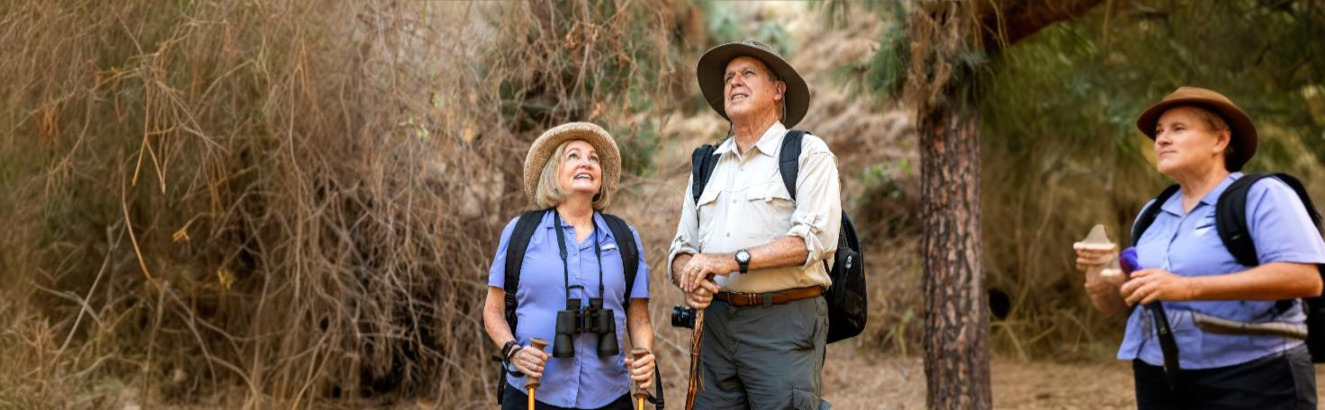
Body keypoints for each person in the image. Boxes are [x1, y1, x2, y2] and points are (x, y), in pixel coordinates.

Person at [1077, 87, 1325, 409]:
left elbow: (1304, 279)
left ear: (1220, 141)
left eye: (1178, 129)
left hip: (1255, 377)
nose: (1162, 140)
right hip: (1160, 376)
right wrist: (1100, 278)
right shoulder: (1153, 213)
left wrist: (1186, 288)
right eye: (1159, 132)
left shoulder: (1262, 195)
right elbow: (1119, 306)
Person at [669, 39, 840, 409]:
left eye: (748, 74)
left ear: (778, 90)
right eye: (729, 77)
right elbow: (681, 249)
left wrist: (729, 261)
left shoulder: (808, 153)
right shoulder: (706, 163)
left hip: (783, 323)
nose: (734, 82)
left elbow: (813, 241)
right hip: (714, 327)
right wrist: (689, 277)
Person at [483, 122, 654, 409]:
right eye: (573, 156)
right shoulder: (521, 232)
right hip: (532, 391)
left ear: (600, 177)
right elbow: (492, 311)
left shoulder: (625, 238)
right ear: (554, 174)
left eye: (594, 158)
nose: (586, 163)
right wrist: (513, 352)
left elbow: (639, 319)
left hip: (609, 394)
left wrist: (644, 355)